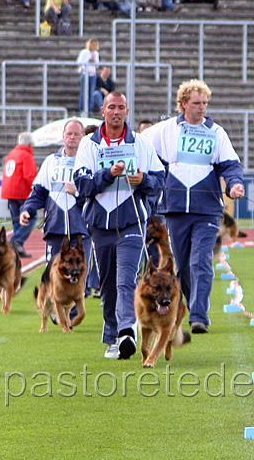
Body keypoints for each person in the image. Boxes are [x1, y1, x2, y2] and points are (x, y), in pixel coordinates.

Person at [141, 79, 245, 334]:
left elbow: (230, 164)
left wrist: (234, 184)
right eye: (197, 103)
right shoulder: (163, 130)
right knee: (184, 264)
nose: (202, 108)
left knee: (201, 261)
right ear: (184, 103)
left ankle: (199, 316)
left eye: (205, 103)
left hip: (207, 209)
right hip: (175, 209)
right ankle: (188, 305)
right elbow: (141, 147)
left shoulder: (216, 132)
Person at [73, 91, 165, 360]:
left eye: (121, 107)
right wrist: (107, 175)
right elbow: (82, 184)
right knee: (108, 284)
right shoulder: (89, 144)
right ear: (102, 111)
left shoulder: (141, 143)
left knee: (127, 279)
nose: (116, 112)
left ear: (127, 112)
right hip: (100, 223)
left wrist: (142, 180)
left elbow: (159, 179)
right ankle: (113, 334)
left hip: (132, 221)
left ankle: (127, 331)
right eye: (111, 107)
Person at [20, 119, 92, 274]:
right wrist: (27, 210)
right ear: (63, 136)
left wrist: (77, 193)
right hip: (55, 228)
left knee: (80, 278)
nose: (72, 137)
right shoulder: (51, 161)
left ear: (83, 137)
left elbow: (95, 197)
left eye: (77, 134)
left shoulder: (89, 162)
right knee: (53, 276)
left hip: (81, 229)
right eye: (69, 133)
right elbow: (39, 193)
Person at [1, 131, 37, 258]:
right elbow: (30, 176)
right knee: (31, 219)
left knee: (17, 221)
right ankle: (15, 241)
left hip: (9, 191)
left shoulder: (11, 154)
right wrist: (35, 191)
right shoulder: (26, 156)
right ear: (30, 144)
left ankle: (17, 248)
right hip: (21, 192)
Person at [76, 38, 99, 116]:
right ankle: (82, 109)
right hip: (85, 74)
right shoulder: (84, 52)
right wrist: (88, 60)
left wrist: (94, 61)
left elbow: (97, 65)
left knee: (91, 92)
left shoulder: (96, 53)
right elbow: (79, 62)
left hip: (93, 74)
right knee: (84, 92)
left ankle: (89, 109)